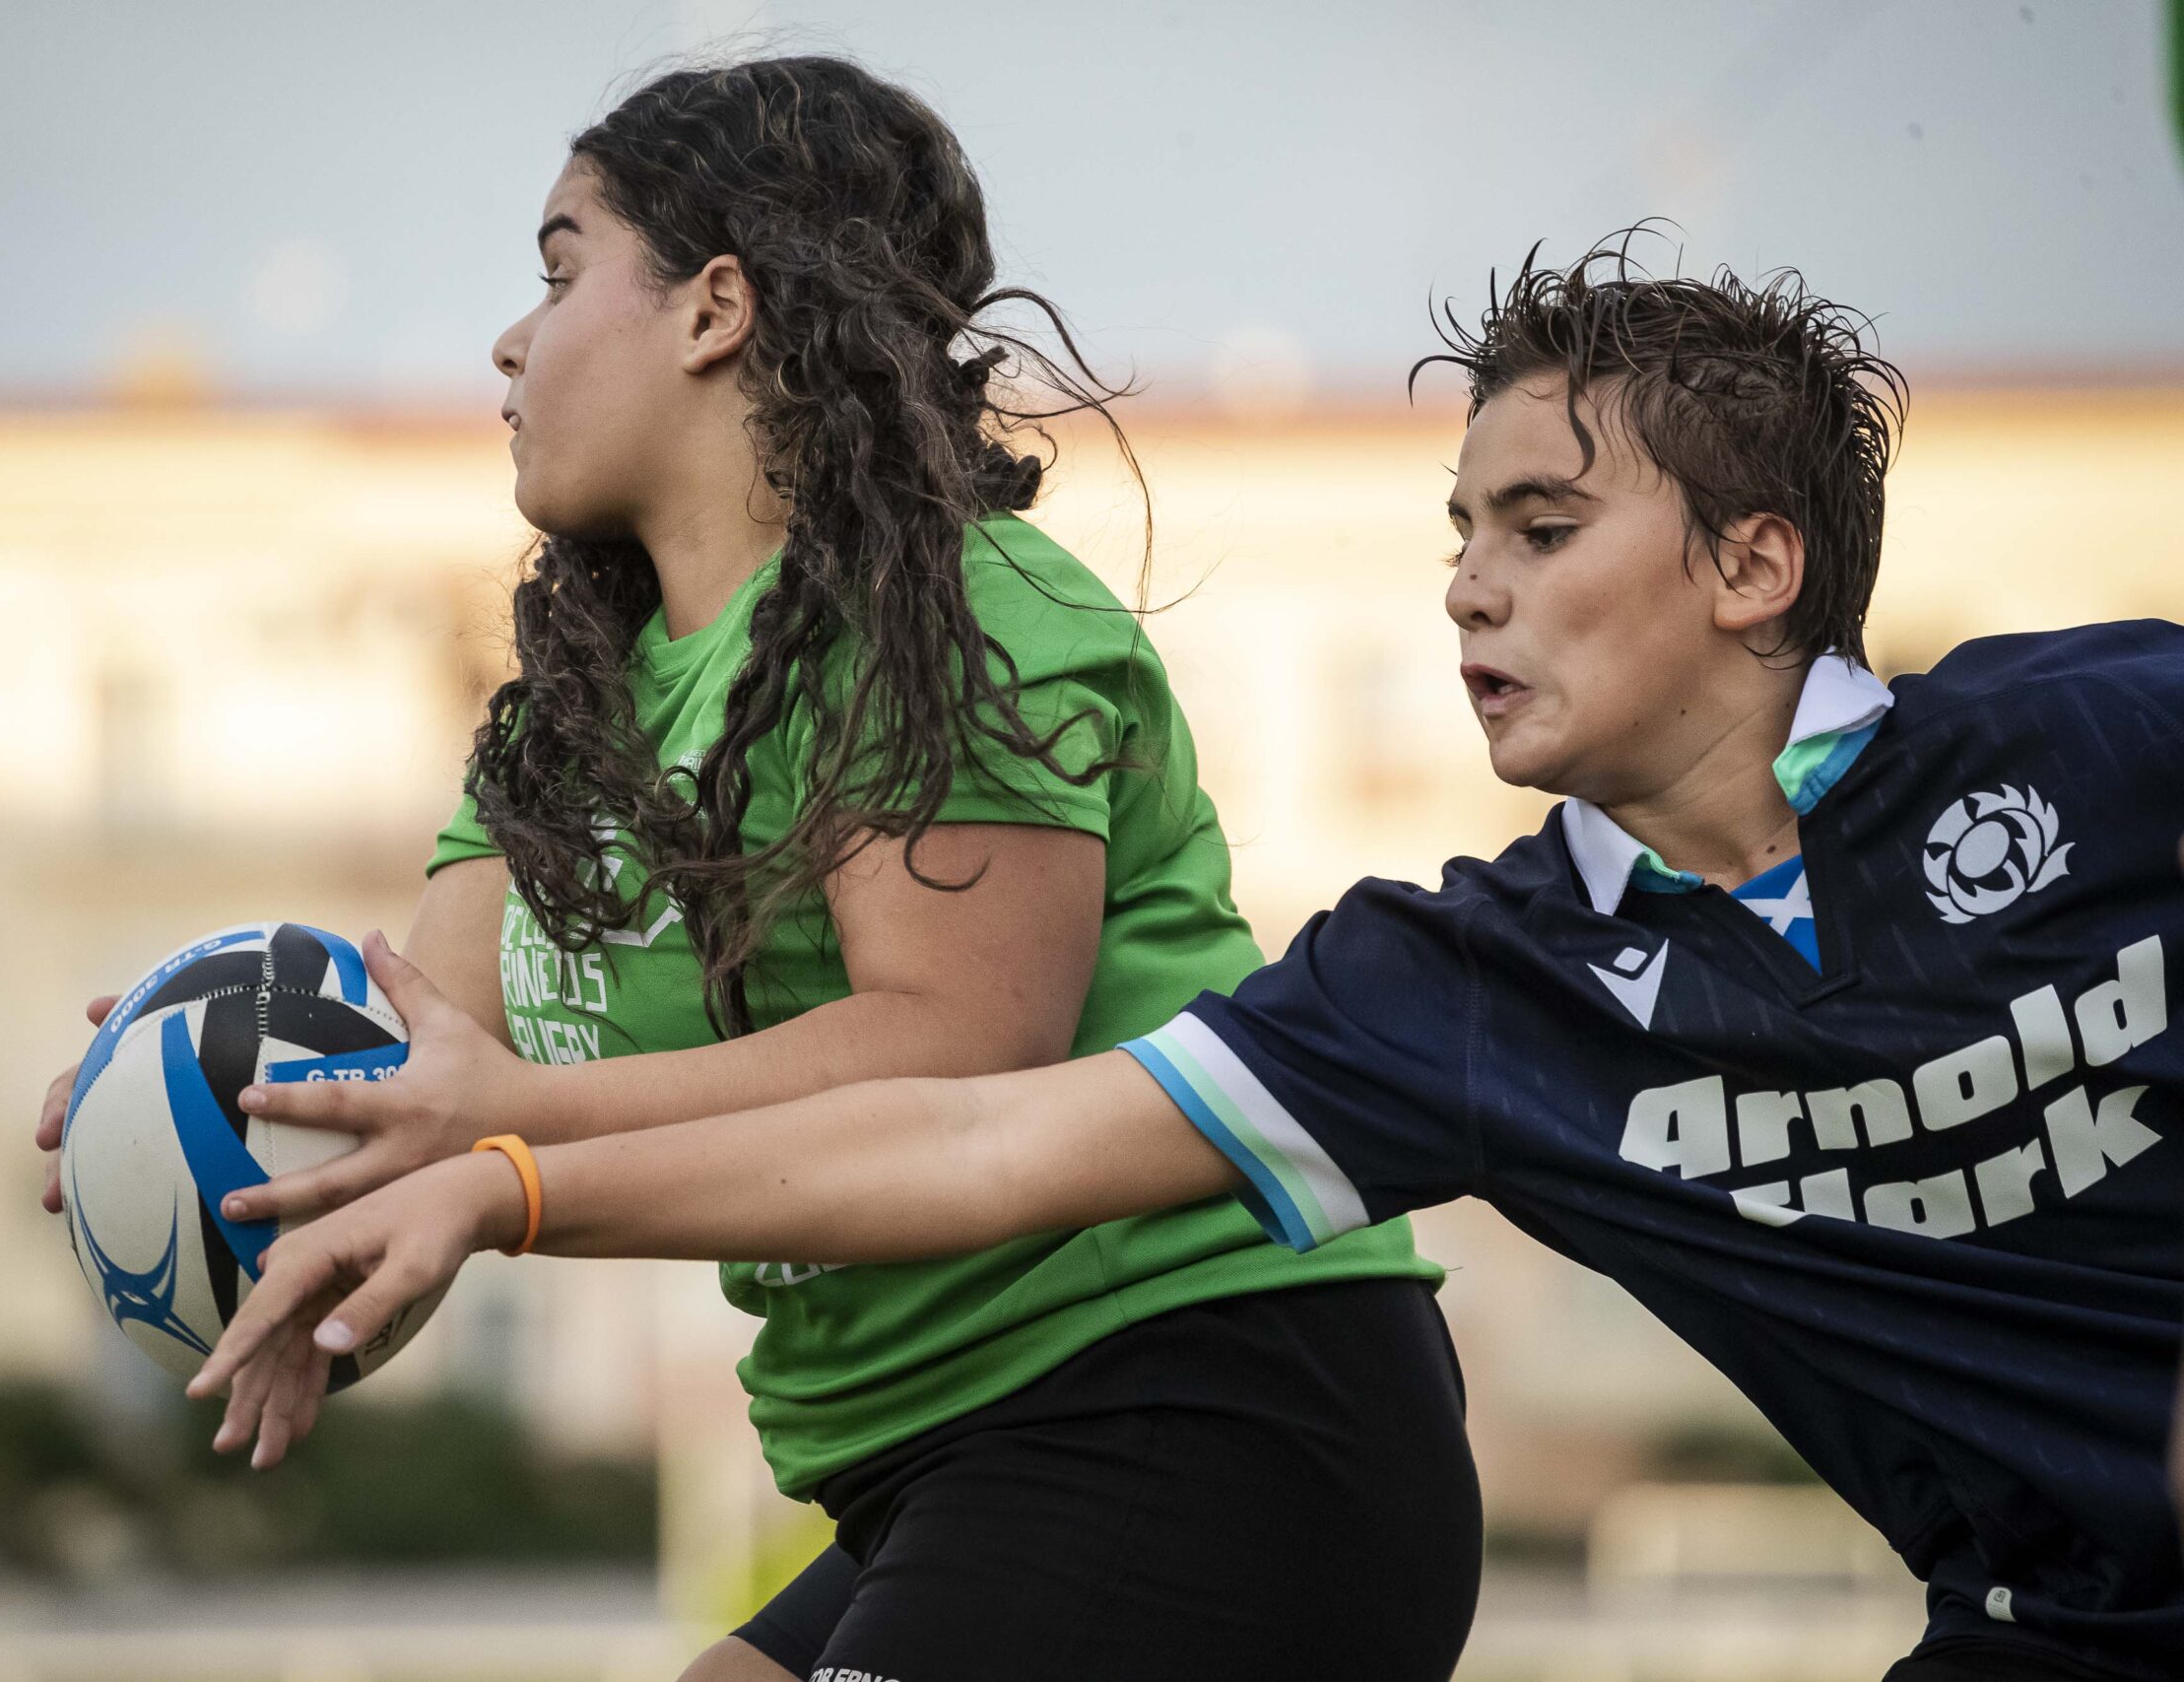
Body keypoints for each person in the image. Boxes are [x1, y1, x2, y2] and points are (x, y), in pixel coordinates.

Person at [193, 240, 2184, 1682]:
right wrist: (505, 1180)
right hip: (2051, 1629)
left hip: (1223, 1451)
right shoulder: (1473, 981)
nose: (1466, 580)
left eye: (1542, 521)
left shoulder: (2100, 737)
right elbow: (978, 1149)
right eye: (1458, 526)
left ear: (1751, 566)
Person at [38, 55, 1478, 1682]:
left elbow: (956, 1051)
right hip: (934, 1458)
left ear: (715, 307)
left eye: (562, 269)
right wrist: (199, 1102)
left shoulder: (961, 605)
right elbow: (431, 1053)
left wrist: (488, 1149)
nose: (512, 341)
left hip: (1200, 1397)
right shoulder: (572, 716)